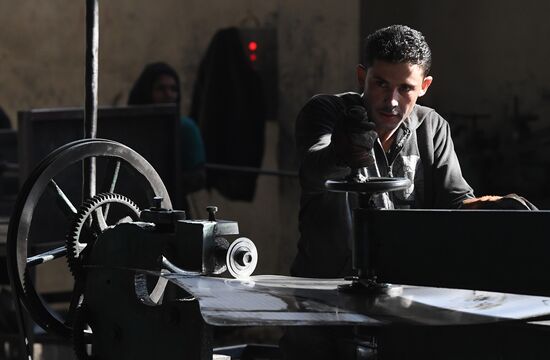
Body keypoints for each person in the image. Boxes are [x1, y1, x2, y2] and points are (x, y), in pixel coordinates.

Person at [282, 24, 536, 360]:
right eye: (381, 84)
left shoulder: (432, 128)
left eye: (406, 88)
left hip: (400, 306)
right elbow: (314, 169)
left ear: (424, 87)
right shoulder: (327, 113)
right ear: (362, 77)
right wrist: (339, 153)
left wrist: (492, 208)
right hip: (322, 305)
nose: (391, 101)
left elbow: (455, 203)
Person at [128, 62, 206, 213]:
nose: (169, 94)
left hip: (173, 210)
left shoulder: (185, 128)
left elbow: (199, 177)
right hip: (133, 207)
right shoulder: (132, 129)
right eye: (161, 89)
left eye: (173, 89)